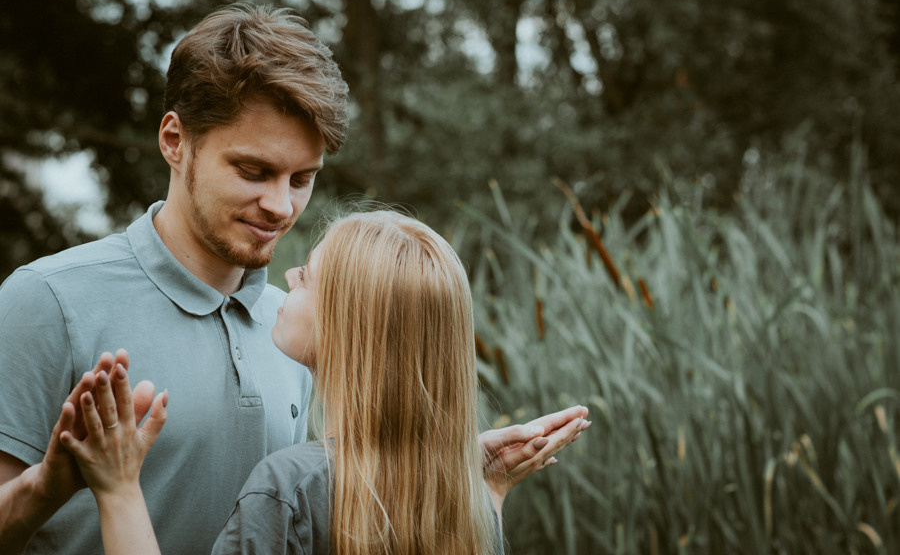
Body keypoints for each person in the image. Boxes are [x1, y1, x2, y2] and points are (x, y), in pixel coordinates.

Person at [0, 4, 589, 555]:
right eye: (253, 171)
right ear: (175, 141)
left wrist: (438, 469)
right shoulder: (46, 300)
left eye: (302, 179)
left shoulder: (299, 325)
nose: (281, 206)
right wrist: (48, 485)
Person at [60, 210, 587, 555]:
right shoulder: (461, 505)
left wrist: (119, 487)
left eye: (308, 276)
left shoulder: (291, 487)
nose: (288, 277)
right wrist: (483, 487)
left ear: (346, 323)